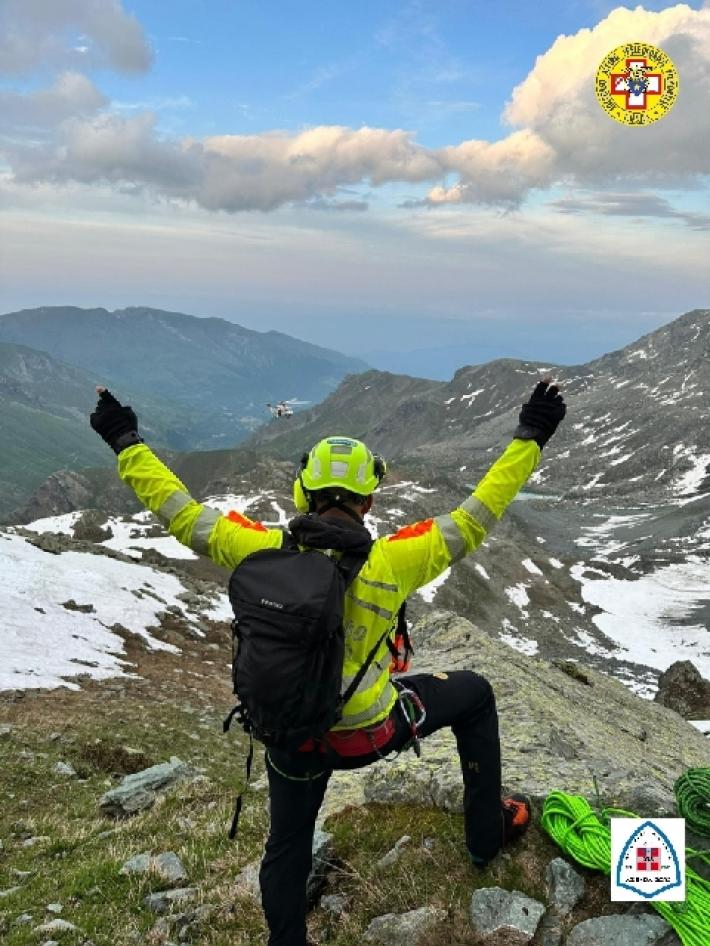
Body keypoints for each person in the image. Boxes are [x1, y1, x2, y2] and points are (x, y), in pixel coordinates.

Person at [89, 379, 566, 946]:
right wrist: (531, 436)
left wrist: (125, 440)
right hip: (372, 732)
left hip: (294, 737)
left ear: (302, 492)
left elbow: (179, 511)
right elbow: (476, 514)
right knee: (476, 695)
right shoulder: (398, 559)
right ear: (368, 501)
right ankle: (486, 836)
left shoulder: (257, 550)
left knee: (288, 843)